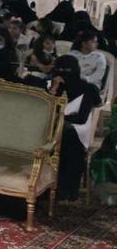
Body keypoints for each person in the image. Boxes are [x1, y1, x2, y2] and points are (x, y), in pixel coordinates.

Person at [50, 55, 103, 201]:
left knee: (67, 139)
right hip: (57, 126)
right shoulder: (56, 86)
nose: (62, 73)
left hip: (78, 130)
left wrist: (60, 117)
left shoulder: (88, 88)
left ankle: (66, 190)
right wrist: (54, 88)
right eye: (59, 69)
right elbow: (48, 110)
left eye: (66, 70)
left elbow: (81, 118)